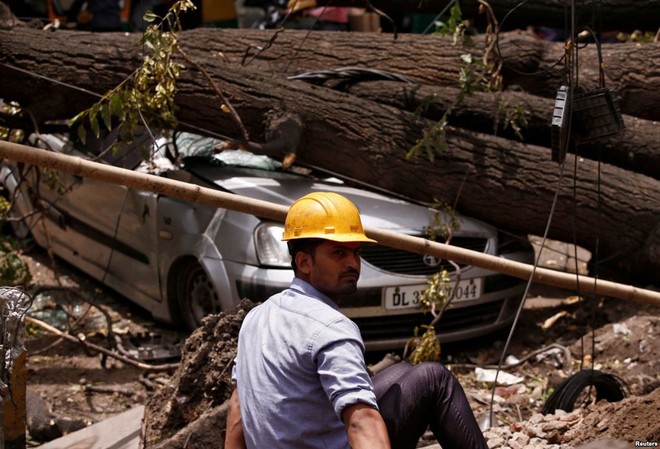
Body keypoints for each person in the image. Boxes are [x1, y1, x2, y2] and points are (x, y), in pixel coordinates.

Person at [225, 192, 488, 449]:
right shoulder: (330, 327)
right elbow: (361, 422)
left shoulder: (256, 317)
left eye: (356, 252)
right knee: (434, 378)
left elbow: (238, 407)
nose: (353, 263)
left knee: (405, 372)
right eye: (339, 253)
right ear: (304, 262)